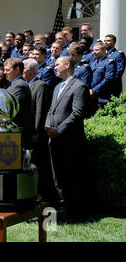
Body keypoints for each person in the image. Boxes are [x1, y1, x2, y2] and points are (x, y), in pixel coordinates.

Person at [45, 56, 89, 212]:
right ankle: (62, 205)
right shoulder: (57, 87)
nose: (54, 67)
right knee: (57, 174)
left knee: (72, 174)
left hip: (69, 140)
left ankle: (75, 209)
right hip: (54, 138)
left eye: (57, 65)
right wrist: (48, 127)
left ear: (67, 65)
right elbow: (51, 110)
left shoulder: (79, 86)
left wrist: (59, 130)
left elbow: (77, 113)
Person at [23, 58, 53, 202]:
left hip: (36, 135)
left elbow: (40, 111)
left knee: (38, 165)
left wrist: (36, 132)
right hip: (27, 134)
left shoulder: (40, 85)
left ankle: (43, 196)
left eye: (24, 68)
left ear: (32, 70)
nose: (22, 70)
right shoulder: (25, 85)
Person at [4, 58, 34, 149]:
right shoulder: (14, 84)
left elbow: (10, 107)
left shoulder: (19, 85)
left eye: (8, 70)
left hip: (18, 132)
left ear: (17, 70)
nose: (5, 72)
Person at [89, 42, 116, 110]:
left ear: (104, 50)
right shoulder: (93, 63)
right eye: (93, 50)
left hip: (102, 98)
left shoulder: (109, 63)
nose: (94, 52)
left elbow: (108, 79)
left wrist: (94, 90)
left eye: (97, 50)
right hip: (91, 97)